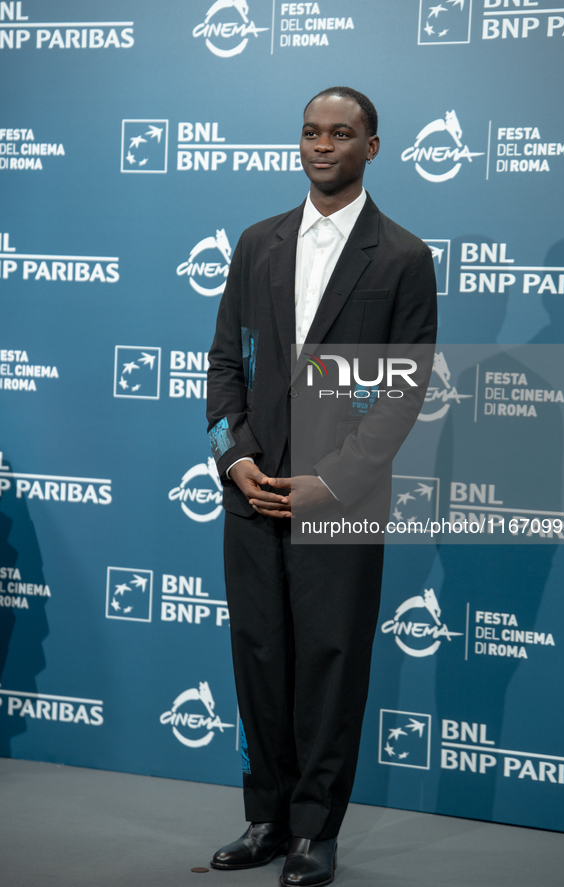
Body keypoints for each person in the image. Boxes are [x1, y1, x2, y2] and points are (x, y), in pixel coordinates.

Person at [206, 86, 437, 886]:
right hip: (251, 492)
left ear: (371, 148)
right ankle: (265, 817)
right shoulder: (255, 243)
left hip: (339, 503)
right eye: (310, 131)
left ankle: (314, 831)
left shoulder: (403, 256)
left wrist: (328, 483)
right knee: (259, 658)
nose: (321, 145)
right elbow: (222, 367)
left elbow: (404, 393)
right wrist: (230, 457)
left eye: (340, 133)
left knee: (330, 664)